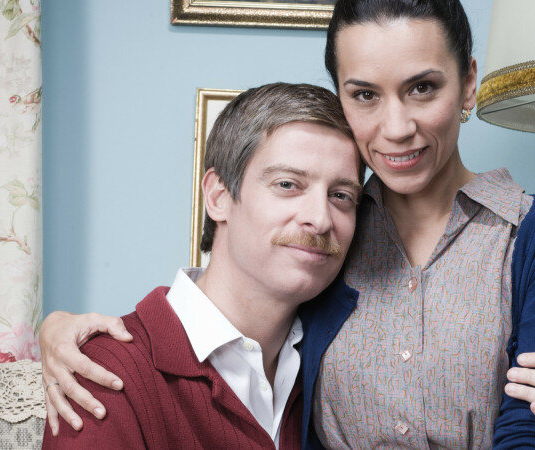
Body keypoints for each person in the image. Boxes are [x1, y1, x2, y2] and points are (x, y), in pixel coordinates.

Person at [41, 1, 535, 448]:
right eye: (365, 95)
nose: (397, 127)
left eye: (422, 87)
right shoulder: (326, 246)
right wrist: (60, 330)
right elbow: (224, 308)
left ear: (469, 82)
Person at [41, 82, 365, 449]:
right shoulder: (105, 373)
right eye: (288, 184)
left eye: (341, 195)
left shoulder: (332, 366)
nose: (320, 219)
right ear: (218, 196)